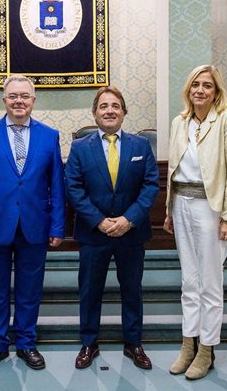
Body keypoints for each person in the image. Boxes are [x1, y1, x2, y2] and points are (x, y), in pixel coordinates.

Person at [0, 74, 65, 372]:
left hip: (35, 225)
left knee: (30, 290)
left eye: (24, 96)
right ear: (4, 100)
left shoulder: (50, 135)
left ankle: (25, 343)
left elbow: (56, 185)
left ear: (33, 100)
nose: (19, 101)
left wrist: (57, 226)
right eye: (13, 96)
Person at [65, 86, 159, 370]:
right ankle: (88, 343)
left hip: (131, 233)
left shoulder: (141, 146)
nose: (109, 110)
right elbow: (73, 187)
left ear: (124, 112)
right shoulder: (80, 148)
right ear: (95, 113)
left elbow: (150, 184)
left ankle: (133, 343)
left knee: (132, 290)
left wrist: (128, 219)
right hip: (94, 233)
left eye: (115, 106)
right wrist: (100, 220)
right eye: (103, 106)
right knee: (90, 291)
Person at [163, 64, 227, 380]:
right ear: (188, 89)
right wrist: (169, 210)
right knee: (189, 281)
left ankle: (207, 350)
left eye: (207, 86)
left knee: (210, 283)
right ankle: (188, 344)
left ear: (216, 91)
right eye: (195, 84)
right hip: (181, 204)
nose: (200, 90)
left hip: (211, 210)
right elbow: (173, 168)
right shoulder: (179, 122)